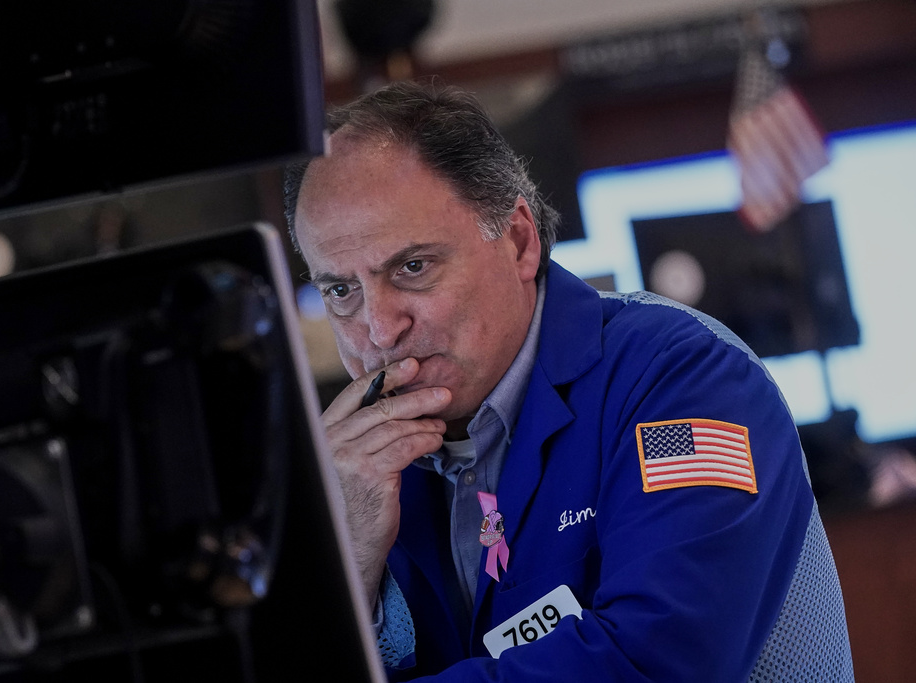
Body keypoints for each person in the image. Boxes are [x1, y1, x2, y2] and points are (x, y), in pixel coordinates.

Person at [282, 79, 854, 681]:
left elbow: (657, 661)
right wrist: (344, 565)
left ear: (519, 240)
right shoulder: (351, 470)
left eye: (413, 267)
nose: (378, 328)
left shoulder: (683, 377)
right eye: (340, 290)